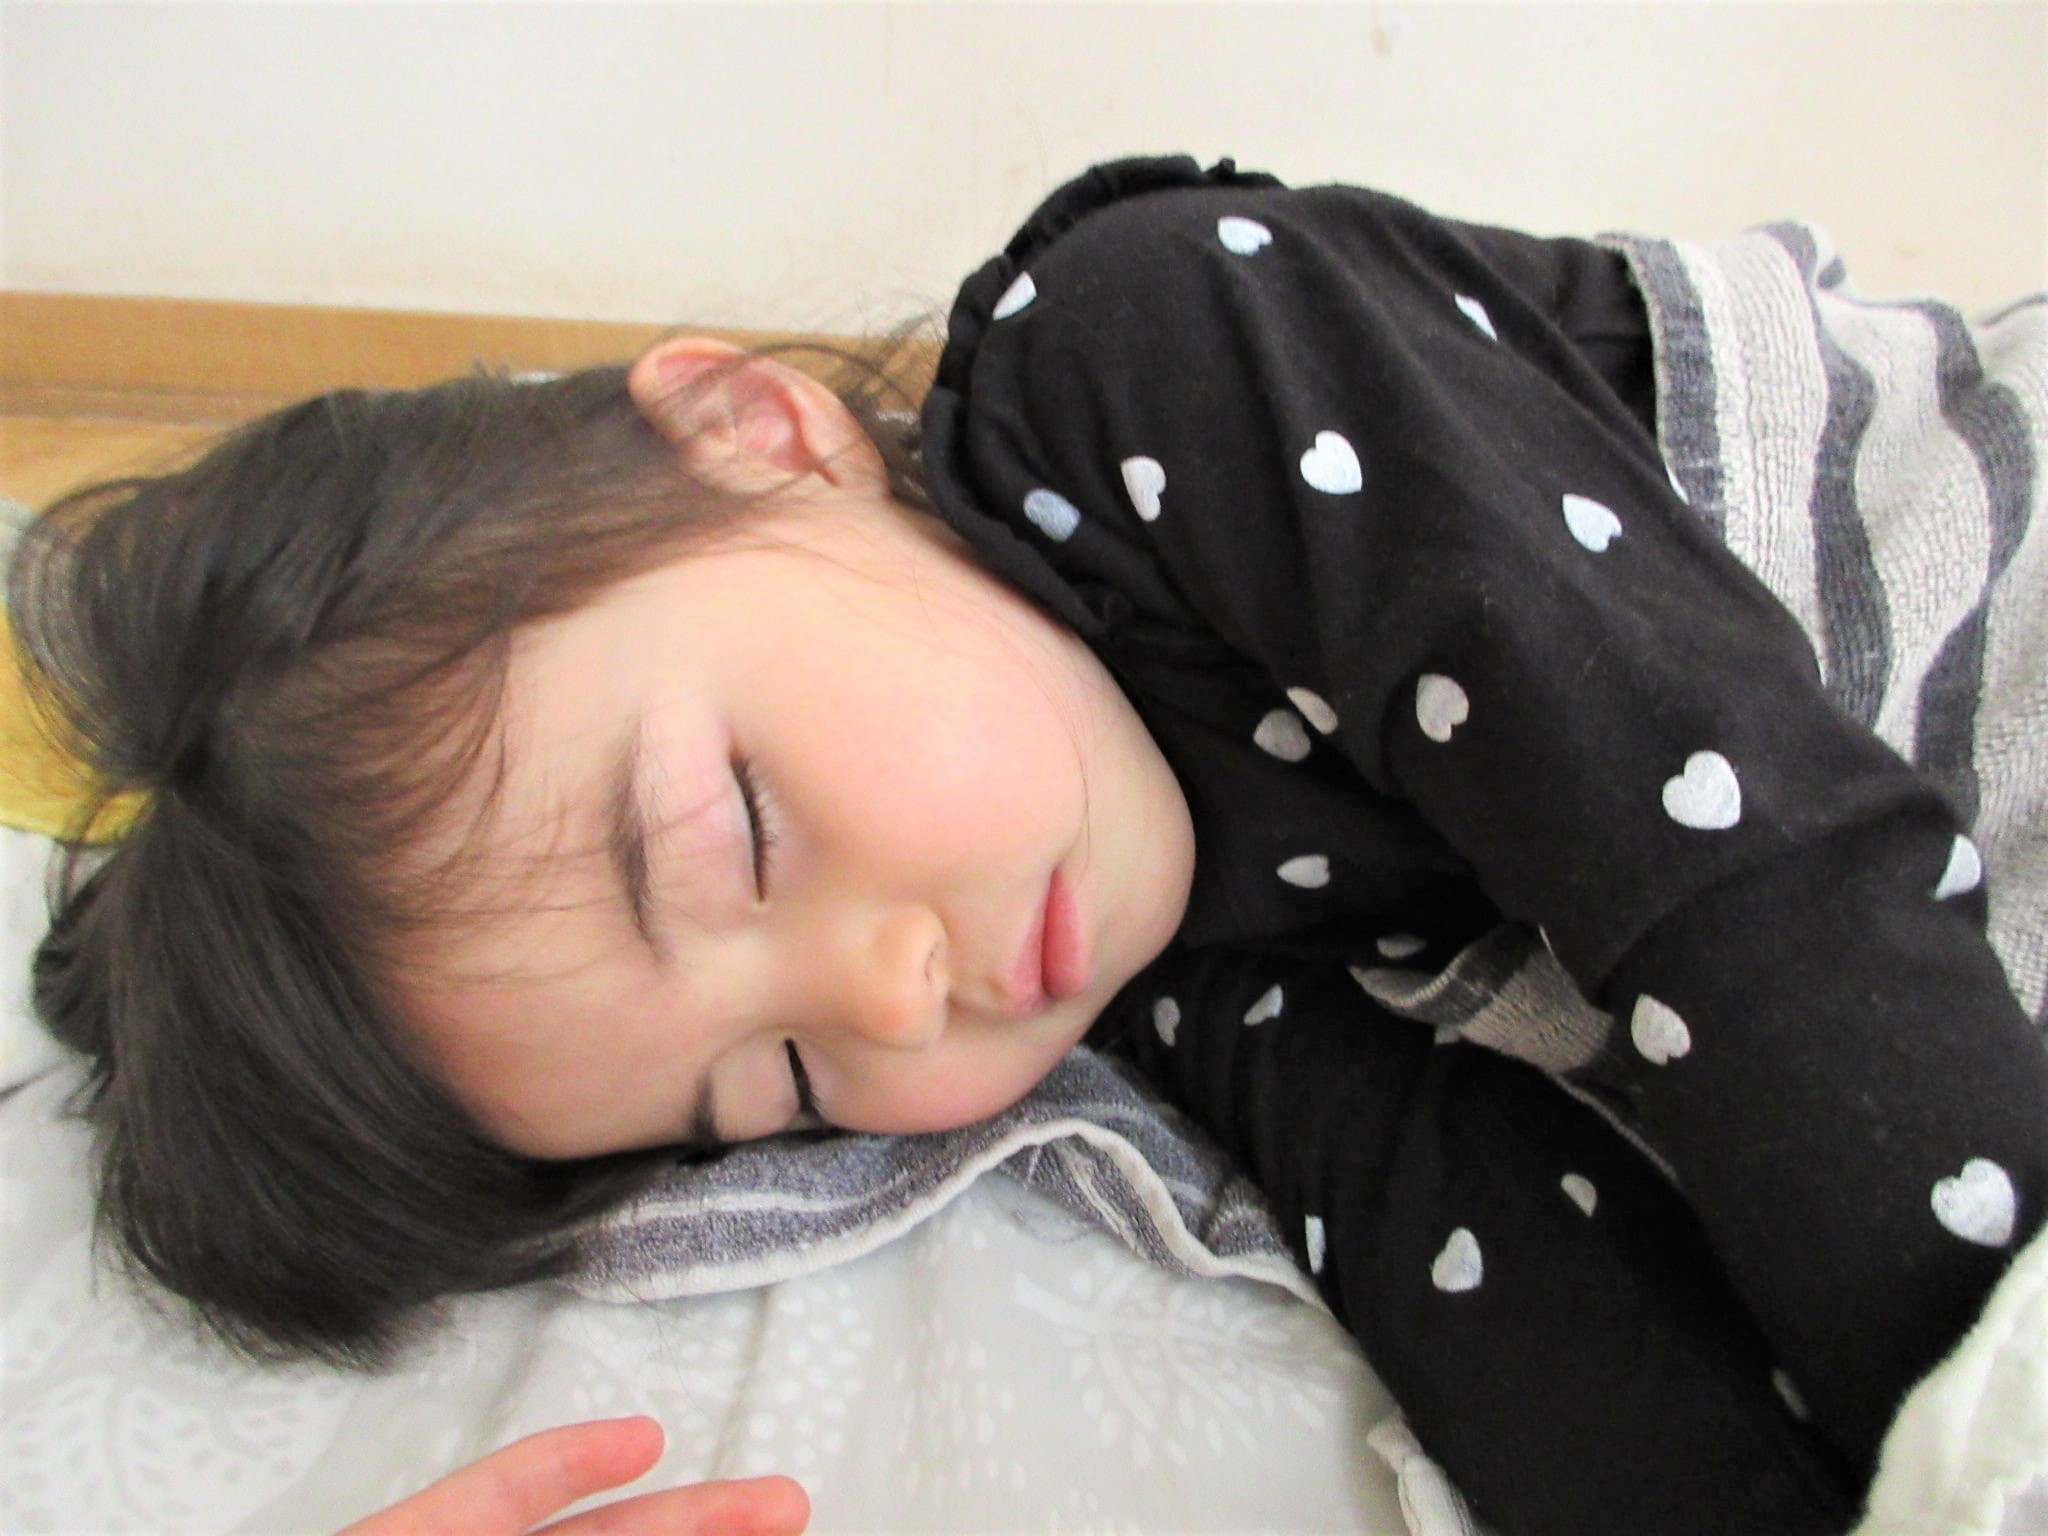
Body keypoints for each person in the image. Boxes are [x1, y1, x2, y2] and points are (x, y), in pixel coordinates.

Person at [8, 154, 2045, 1536]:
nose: (898, 1003)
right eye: (778, 1081)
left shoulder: (1148, 349)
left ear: (757, 438)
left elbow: (1750, 872)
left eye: (741, 833)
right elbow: (1468, 1250)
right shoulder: (1140, 958)